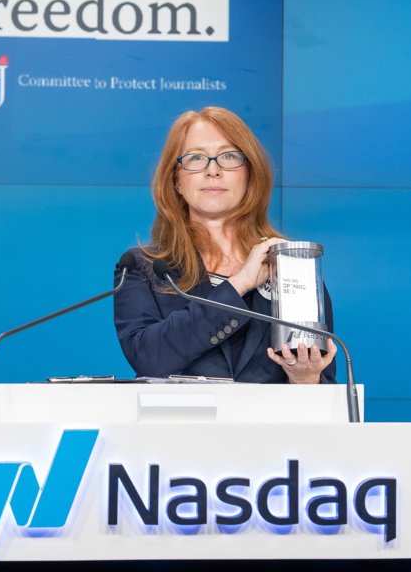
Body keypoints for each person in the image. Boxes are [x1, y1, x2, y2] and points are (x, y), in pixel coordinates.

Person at [114, 107, 336, 384]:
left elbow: (325, 383)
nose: (213, 170)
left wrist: (305, 378)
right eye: (196, 158)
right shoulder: (143, 267)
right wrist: (239, 284)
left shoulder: (290, 265)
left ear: (250, 174)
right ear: (176, 181)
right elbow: (148, 358)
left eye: (229, 156)